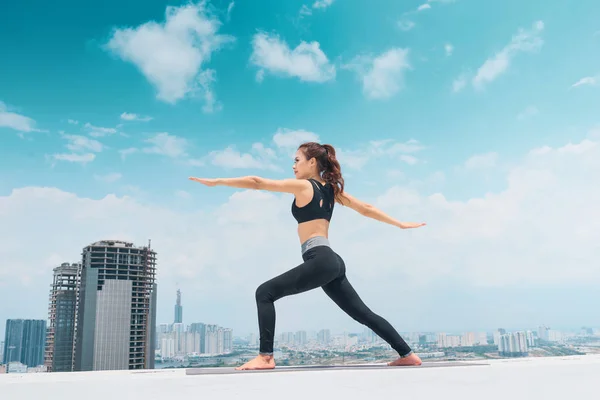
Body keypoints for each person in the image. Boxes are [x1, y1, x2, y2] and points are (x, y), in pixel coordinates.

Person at [189, 142, 426, 370]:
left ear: (312, 162)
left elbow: (257, 182)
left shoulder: (305, 186)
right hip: (331, 261)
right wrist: (400, 224)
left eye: (296, 160)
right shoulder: (332, 191)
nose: (293, 166)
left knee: (264, 293)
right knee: (363, 313)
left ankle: (265, 357)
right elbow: (367, 209)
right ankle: (407, 354)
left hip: (320, 258)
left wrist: (217, 181)